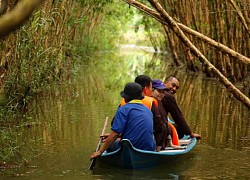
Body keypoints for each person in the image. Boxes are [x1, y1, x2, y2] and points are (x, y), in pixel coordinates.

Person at [90, 82, 156, 159]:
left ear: (126, 97)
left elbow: (115, 133)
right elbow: (140, 130)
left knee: (110, 146)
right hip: (148, 148)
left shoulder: (123, 109)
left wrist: (100, 151)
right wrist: (111, 136)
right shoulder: (147, 110)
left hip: (130, 147)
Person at [162, 75, 201, 139]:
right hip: (157, 127)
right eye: (173, 85)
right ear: (165, 83)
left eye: (177, 88)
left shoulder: (155, 91)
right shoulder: (169, 96)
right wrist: (190, 133)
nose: (174, 89)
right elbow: (177, 116)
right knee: (180, 130)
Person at [151, 79, 180, 148]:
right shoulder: (150, 103)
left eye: (163, 92)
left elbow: (164, 123)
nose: (161, 94)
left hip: (157, 139)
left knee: (168, 126)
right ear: (152, 89)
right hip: (152, 137)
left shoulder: (159, 103)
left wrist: (169, 142)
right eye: (159, 91)